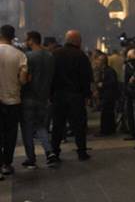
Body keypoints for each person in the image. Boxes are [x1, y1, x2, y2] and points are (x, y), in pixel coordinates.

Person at [51, 30, 93, 161]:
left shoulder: (55, 54)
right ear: (77, 41)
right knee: (79, 126)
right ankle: (81, 152)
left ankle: (55, 152)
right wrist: (87, 95)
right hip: (76, 96)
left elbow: (51, 76)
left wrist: (50, 94)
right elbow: (86, 77)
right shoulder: (81, 56)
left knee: (58, 125)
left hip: (59, 95)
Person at [20, 31, 58, 169]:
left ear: (31, 40)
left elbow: (24, 78)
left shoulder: (28, 56)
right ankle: (49, 152)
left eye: (27, 40)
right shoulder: (50, 56)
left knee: (27, 129)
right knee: (41, 126)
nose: (25, 42)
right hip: (44, 97)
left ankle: (31, 158)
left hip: (28, 97)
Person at [0, 25, 28, 177]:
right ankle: (6, 164)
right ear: (12, 36)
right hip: (13, 100)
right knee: (10, 134)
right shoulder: (20, 55)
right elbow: (23, 80)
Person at [95, 54, 119, 136]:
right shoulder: (104, 70)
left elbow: (113, 82)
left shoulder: (109, 71)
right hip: (106, 94)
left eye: (98, 60)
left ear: (103, 62)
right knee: (107, 113)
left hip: (108, 95)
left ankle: (105, 130)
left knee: (106, 113)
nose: (96, 62)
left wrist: (103, 84)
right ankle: (109, 129)